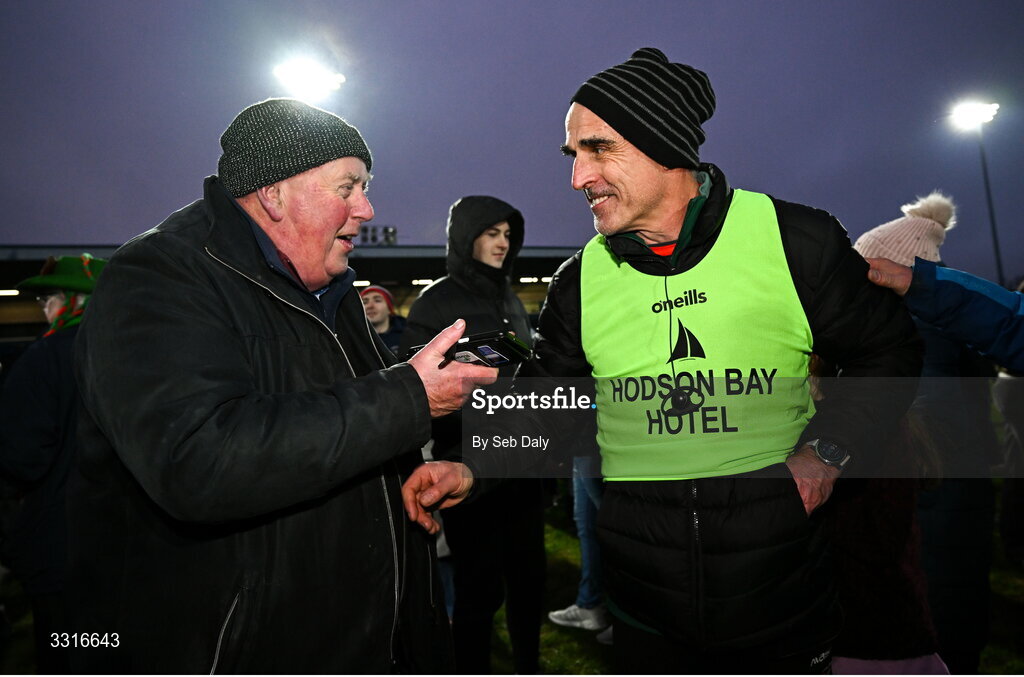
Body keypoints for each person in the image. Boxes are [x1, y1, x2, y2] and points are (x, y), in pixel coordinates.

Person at [404, 48, 921, 674]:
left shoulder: (794, 239)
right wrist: (471, 469)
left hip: (780, 605)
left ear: (662, 144)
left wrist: (827, 454)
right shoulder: (581, 278)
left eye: (599, 149)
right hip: (643, 618)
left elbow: (887, 352)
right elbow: (549, 405)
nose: (577, 178)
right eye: (574, 156)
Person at [66, 98, 496, 673]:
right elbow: (198, 461)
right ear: (274, 193)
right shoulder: (159, 276)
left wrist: (458, 468)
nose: (367, 208)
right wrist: (407, 397)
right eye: (349, 187)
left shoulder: (333, 290)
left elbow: (344, 429)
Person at [400, 196, 545, 674]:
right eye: (491, 233)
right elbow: (416, 388)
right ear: (467, 237)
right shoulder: (436, 300)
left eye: (508, 234)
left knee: (530, 587)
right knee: (477, 592)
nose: (502, 243)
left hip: (524, 466)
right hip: (467, 465)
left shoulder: (508, 297)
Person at [857, 198, 999, 673]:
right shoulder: (954, 330)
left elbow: (924, 439)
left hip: (934, 501)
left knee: (935, 600)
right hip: (964, 496)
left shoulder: (913, 336)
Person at [0, 253, 106, 674]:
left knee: (63, 652)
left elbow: (18, 457)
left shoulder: (44, 358)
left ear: (73, 303)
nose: (44, 309)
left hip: (58, 547)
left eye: (49, 300)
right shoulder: (134, 355)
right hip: (125, 550)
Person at [360, 284, 406, 354]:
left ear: (389, 310)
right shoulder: (353, 338)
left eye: (377, 300)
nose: (370, 306)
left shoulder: (408, 336)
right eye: (365, 302)